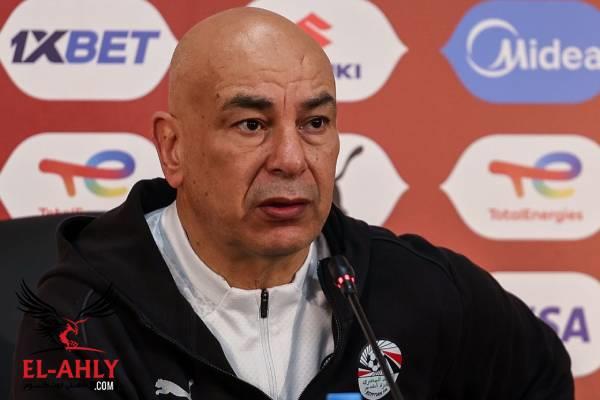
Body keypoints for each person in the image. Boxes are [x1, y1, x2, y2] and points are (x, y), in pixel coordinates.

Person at [12, 7, 573, 400]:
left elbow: (541, 377)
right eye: (251, 124)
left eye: (315, 123)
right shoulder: (79, 321)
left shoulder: (414, 285)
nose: (290, 159)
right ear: (173, 147)